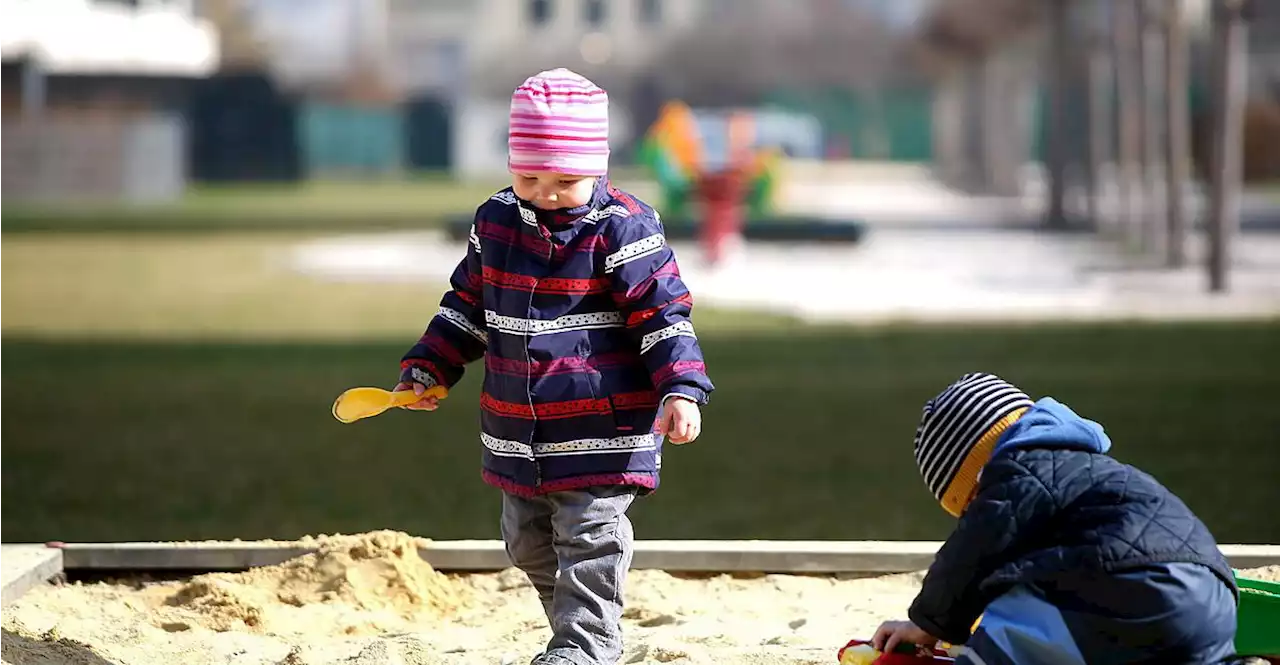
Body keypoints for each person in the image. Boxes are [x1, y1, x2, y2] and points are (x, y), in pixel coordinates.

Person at [393, 68, 714, 665]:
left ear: (598, 166)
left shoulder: (622, 227)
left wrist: (681, 389)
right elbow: (467, 305)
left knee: (588, 538)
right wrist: (430, 365)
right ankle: (578, 627)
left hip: (603, 428)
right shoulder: (495, 222)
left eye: (565, 180)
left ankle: (587, 646)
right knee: (526, 541)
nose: (544, 192)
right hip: (518, 429)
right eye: (528, 176)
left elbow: (663, 315)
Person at [873, 372, 1239, 664]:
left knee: (1012, 624)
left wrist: (926, 623)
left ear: (979, 473)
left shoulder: (1016, 471)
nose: (973, 514)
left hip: (1140, 589)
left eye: (969, 505)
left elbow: (971, 555)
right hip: (1213, 599)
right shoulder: (1087, 472)